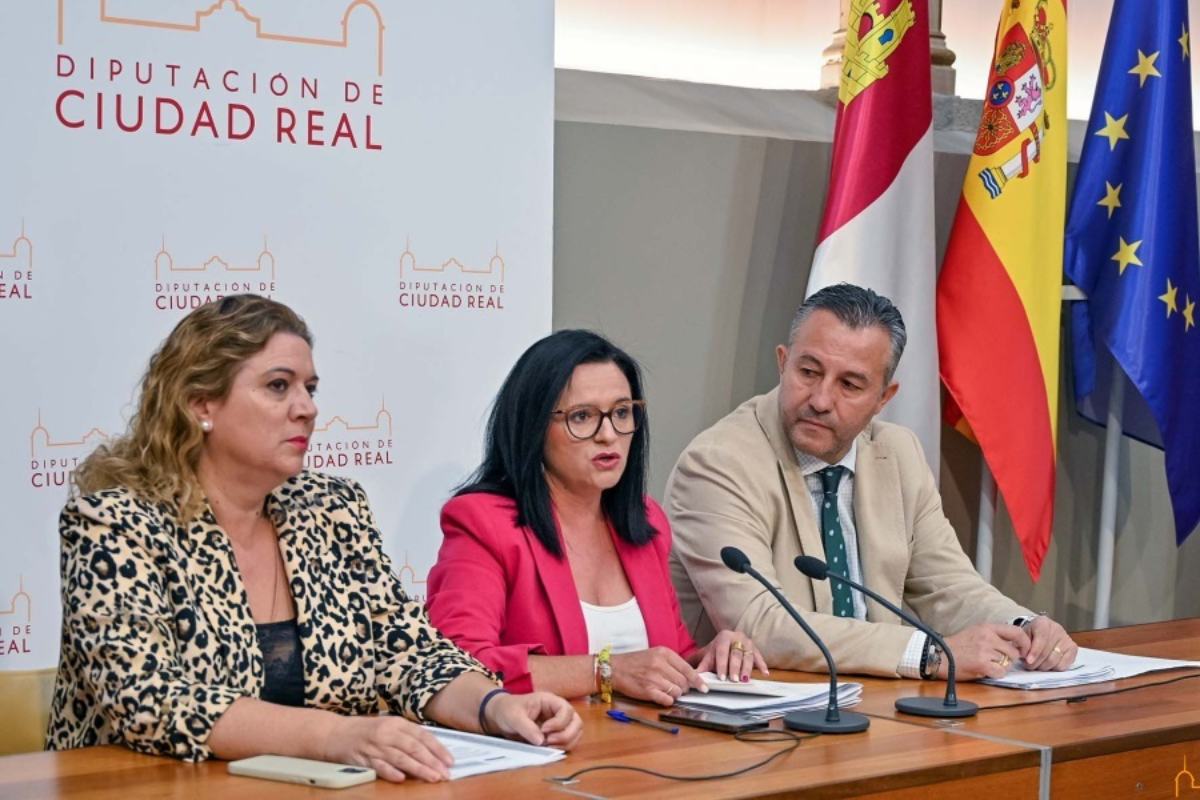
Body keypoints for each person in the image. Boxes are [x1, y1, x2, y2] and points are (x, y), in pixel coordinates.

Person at [46, 295, 581, 782]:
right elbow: (150, 700)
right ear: (200, 405)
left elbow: (409, 652)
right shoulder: (115, 521)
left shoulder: (332, 509)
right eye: (278, 386)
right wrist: (333, 736)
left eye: (310, 388)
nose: (307, 407)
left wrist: (493, 707)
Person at [667, 283, 1078, 681]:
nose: (821, 399)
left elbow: (947, 585)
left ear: (884, 397)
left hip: (875, 701)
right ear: (782, 362)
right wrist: (929, 655)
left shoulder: (897, 454)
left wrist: (1023, 626)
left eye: (849, 384)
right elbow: (761, 623)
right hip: (765, 711)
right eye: (808, 372)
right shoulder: (718, 464)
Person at [426, 330, 766, 706]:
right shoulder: (483, 523)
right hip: (547, 751)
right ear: (534, 427)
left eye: (621, 413)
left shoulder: (646, 522)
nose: (608, 435)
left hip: (649, 751)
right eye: (582, 416)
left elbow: (666, 653)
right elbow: (453, 667)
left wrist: (708, 659)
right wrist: (606, 671)